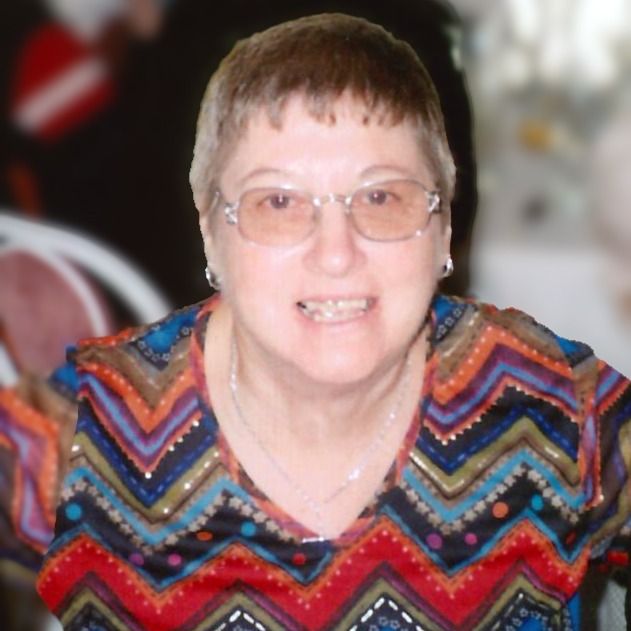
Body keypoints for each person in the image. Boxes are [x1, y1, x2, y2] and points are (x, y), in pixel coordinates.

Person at [26, 12, 631, 630]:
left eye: (381, 197)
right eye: (278, 203)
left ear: (444, 227)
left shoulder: (555, 405)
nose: (336, 255)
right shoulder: (90, 431)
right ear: (211, 233)